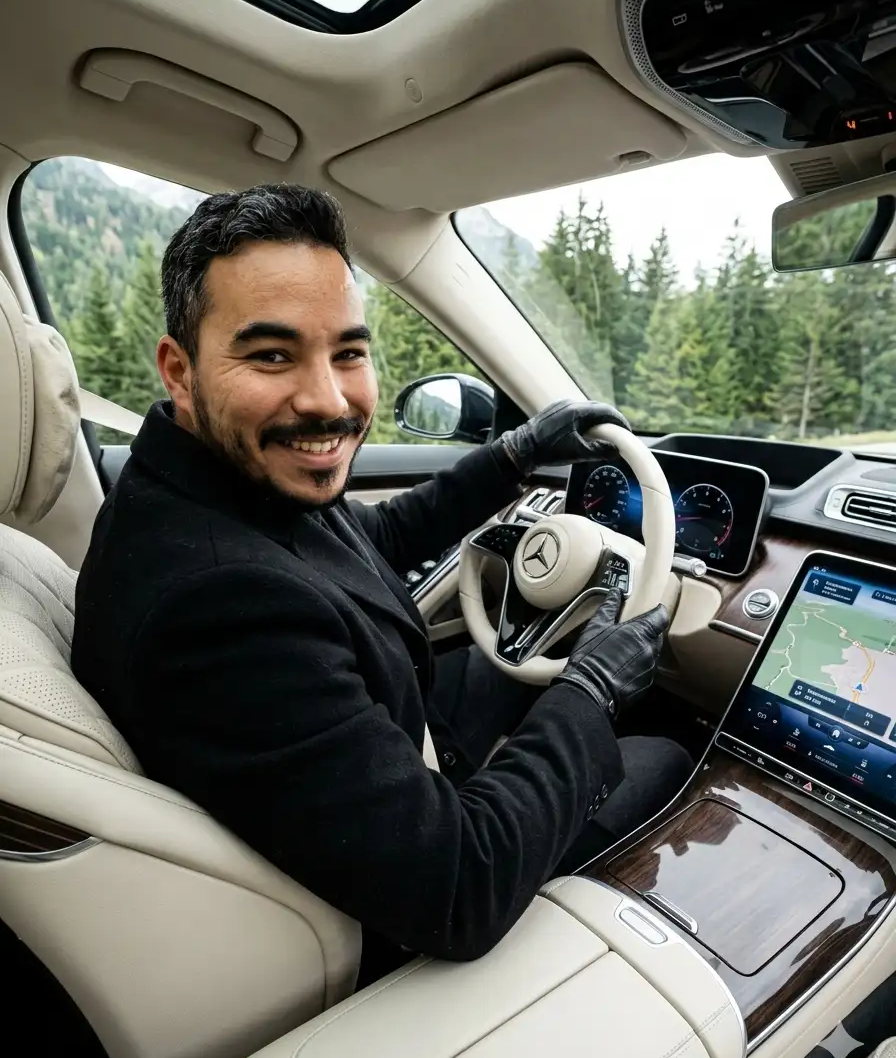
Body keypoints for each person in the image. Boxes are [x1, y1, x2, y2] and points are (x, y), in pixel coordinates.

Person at [72, 184, 692, 984]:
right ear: (179, 370)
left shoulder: (203, 487)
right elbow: (460, 889)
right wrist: (594, 689)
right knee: (663, 753)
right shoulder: (219, 610)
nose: (328, 400)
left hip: (371, 746)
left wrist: (509, 458)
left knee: (506, 668)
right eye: (270, 355)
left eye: (349, 352)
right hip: (395, 917)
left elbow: (366, 543)